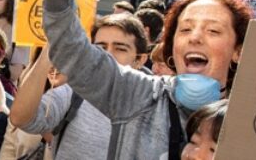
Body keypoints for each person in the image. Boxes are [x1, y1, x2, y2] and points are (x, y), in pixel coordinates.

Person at [24, 0, 250, 159]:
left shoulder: (254, 123)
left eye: (213, 30)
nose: (195, 37)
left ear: (239, 51)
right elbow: (72, 49)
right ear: (172, 48)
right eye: (185, 29)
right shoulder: (138, 94)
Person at [9, 14, 150, 159]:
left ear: (140, 60)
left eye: (120, 49)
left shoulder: (156, 103)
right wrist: (50, 49)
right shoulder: (73, 93)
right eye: (101, 47)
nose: (108, 55)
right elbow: (21, 118)